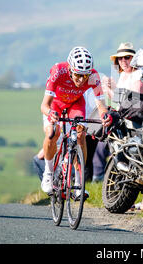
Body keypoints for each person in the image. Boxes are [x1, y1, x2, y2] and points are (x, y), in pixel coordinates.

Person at [40, 46, 112, 197]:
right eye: (78, 75)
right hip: (56, 104)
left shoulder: (93, 76)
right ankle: (48, 172)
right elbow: (44, 105)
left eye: (85, 76)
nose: (81, 80)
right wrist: (51, 113)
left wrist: (105, 116)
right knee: (54, 133)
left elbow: (101, 105)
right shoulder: (58, 71)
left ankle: (79, 182)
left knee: (80, 136)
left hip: (75, 103)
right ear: (70, 69)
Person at [100, 42, 143, 210]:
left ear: (134, 59)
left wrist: (111, 90)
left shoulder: (139, 74)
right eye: (121, 58)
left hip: (138, 118)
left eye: (128, 57)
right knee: (130, 157)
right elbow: (120, 102)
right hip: (126, 118)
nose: (124, 61)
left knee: (140, 155)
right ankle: (130, 199)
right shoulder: (123, 76)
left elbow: (133, 98)